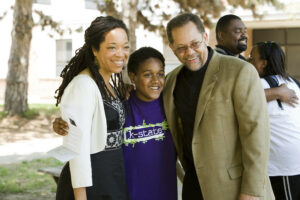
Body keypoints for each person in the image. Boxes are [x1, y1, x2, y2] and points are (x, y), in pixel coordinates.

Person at [163, 13, 274, 200]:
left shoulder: (240, 71)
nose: (189, 52)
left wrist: (251, 191)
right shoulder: (171, 81)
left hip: (236, 188)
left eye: (195, 44)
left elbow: (256, 134)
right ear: (172, 48)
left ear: (205, 38)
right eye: (181, 48)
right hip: (193, 186)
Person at [53, 47, 178, 200]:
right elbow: (87, 124)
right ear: (133, 77)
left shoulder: (170, 107)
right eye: (147, 75)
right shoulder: (121, 108)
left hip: (164, 191)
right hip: (127, 192)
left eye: (160, 74)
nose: (155, 80)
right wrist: (62, 124)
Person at [54, 16, 130, 200]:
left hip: (112, 177)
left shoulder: (108, 84)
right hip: (90, 185)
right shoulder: (83, 84)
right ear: (95, 50)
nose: (120, 53)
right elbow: (77, 150)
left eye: (125, 46)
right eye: (112, 47)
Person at [249, 41, 300, 200]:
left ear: (263, 63)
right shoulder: (291, 82)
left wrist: (277, 92)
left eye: (252, 58)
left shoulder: (260, 84)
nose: (248, 62)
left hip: (281, 165)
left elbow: (239, 98)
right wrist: (278, 91)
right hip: (293, 161)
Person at [215, 14, 298, 106]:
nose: (244, 35)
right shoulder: (216, 62)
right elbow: (233, 96)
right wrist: (278, 92)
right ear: (221, 35)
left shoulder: (243, 62)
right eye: (238, 31)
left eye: (245, 31)